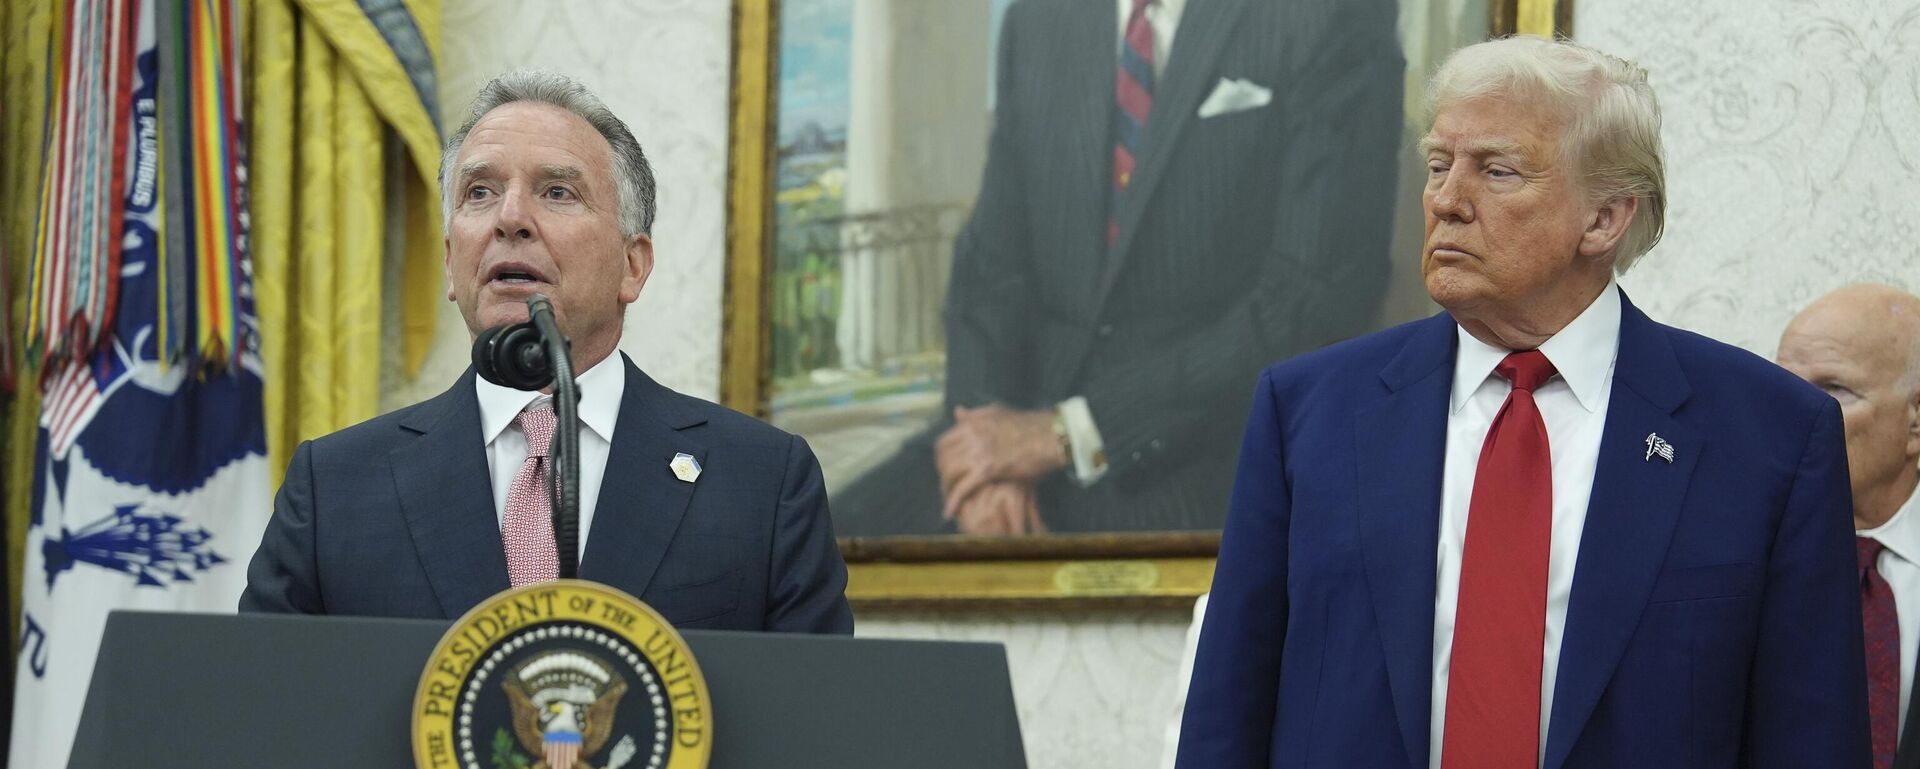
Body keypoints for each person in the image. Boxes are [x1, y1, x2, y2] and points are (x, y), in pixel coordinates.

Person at [1175, 37, 1868, 768]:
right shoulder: (1306, 412)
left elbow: (1813, 738)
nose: (1445, 200)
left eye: (1495, 171)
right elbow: (1227, 715)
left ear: (1603, 219)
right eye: (1439, 165)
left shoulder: (1771, 439)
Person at [240, 71, 854, 634]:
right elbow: (266, 725)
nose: (511, 218)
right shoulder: (335, 487)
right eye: (479, 192)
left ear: (633, 265)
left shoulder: (763, 482)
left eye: (557, 192)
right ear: (452, 263)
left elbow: (817, 722)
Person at [832, 0, 1405, 536]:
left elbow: (1315, 297)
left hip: (1197, 448)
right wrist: (986, 449)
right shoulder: (1041, 20)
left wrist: (1069, 433)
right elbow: (990, 270)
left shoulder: (1332, 14)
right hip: (1017, 429)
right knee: (809, 548)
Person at [1778, 283, 1920, 769]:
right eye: (1783, 389)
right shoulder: (1721, 554)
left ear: (1916, 419)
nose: (1795, 414)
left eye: (1833, 390)